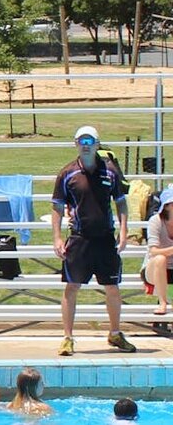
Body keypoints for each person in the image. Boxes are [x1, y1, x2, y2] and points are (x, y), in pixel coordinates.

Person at [52, 125, 137, 356]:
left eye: (90, 141)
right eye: (82, 141)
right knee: (72, 287)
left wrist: (123, 230)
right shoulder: (67, 174)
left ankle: (115, 333)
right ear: (75, 144)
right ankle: (67, 337)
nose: (86, 145)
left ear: (98, 145)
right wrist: (57, 237)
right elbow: (57, 207)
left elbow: (120, 202)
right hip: (79, 239)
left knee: (112, 287)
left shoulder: (110, 172)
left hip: (105, 239)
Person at [140, 186, 173, 315]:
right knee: (160, 259)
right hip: (153, 270)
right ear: (166, 206)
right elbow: (153, 251)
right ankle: (163, 303)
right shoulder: (156, 221)